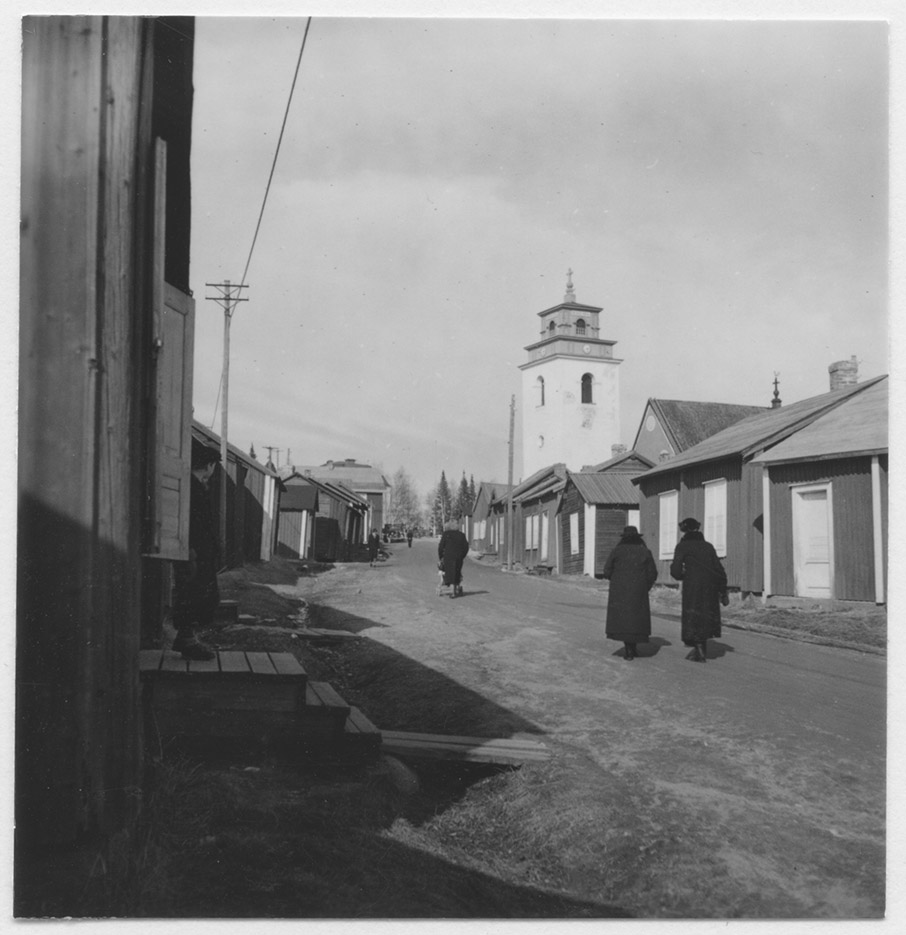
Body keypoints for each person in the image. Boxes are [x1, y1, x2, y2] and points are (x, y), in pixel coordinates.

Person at [172, 444, 221, 660]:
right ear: (209, 465)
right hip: (194, 551)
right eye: (214, 466)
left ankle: (188, 638)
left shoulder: (192, 485)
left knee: (196, 594)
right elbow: (193, 523)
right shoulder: (193, 487)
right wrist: (191, 550)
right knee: (193, 594)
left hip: (197, 550)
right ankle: (187, 641)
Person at [670, 517, 729, 663]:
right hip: (710, 586)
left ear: (684, 530)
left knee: (694, 617)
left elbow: (676, 571)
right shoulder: (708, 546)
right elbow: (718, 569)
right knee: (705, 616)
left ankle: (700, 651)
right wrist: (723, 590)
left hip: (693, 586)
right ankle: (700, 649)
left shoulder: (682, 546)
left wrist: (684, 575)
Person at [601, 525, 659, 660]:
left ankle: (628, 649)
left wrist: (616, 581)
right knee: (636, 619)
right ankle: (633, 647)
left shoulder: (616, 551)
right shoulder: (645, 551)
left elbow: (607, 571)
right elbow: (652, 573)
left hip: (619, 590)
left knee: (623, 620)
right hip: (638, 589)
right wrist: (645, 586)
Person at [438, 520, 470, 596]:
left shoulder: (446, 534)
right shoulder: (461, 535)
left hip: (448, 557)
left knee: (449, 572)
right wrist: (462, 555)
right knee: (457, 572)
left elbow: (441, 547)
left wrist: (441, 556)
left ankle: (452, 591)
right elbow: (466, 547)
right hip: (458, 557)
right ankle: (454, 588)